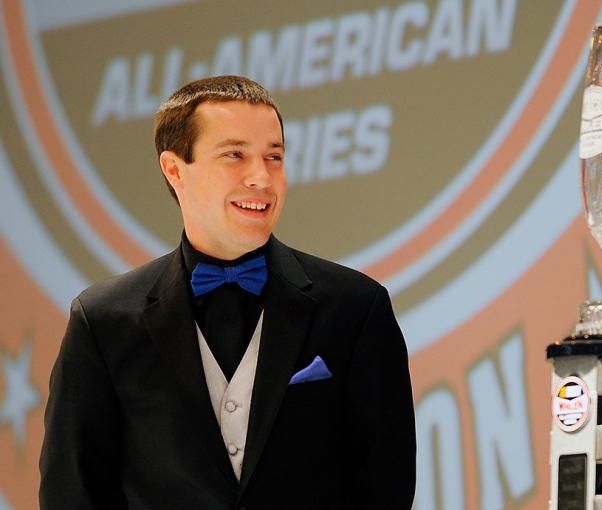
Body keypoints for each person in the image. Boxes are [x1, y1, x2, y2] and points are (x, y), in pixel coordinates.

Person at [39, 76, 416, 509]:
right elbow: (72, 495)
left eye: (274, 157)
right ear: (174, 169)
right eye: (235, 155)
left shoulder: (356, 309)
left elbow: (386, 489)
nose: (262, 177)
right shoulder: (102, 322)